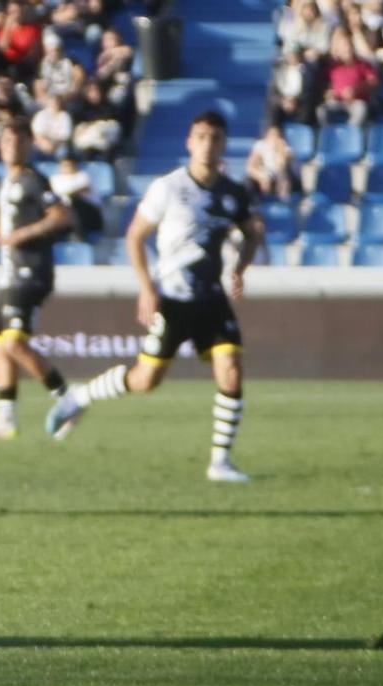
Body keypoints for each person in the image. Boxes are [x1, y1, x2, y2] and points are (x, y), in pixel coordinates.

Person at [48, 112, 264, 483]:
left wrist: (239, 270)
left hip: (212, 299)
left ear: (224, 144)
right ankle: (80, 397)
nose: (207, 144)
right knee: (147, 380)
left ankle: (220, 462)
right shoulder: (169, 187)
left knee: (231, 371)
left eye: (215, 137)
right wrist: (147, 287)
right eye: (200, 136)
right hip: (174, 297)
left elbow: (252, 231)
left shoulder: (233, 193)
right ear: (188, 142)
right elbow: (135, 236)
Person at [0, 123, 73, 441]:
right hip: (8, 273)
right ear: (0, 147)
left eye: (18, 139)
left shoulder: (33, 179)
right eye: (6, 139)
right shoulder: (6, 182)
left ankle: (68, 401)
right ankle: (5, 418)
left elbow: (61, 216)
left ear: (29, 144)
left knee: (14, 342)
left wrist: (17, 236)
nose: (11, 144)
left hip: (31, 272)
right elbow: (10, 226)